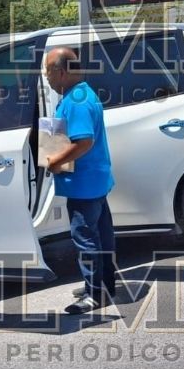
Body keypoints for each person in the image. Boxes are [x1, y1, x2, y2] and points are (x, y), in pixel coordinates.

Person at [44, 47, 117, 315]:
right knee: (102, 237)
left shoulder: (76, 101)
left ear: (61, 72)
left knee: (86, 239)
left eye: (48, 71)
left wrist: (54, 161)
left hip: (83, 184)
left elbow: (84, 141)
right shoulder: (83, 94)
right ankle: (104, 286)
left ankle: (94, 295)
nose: (47, 77)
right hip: (94, 181)